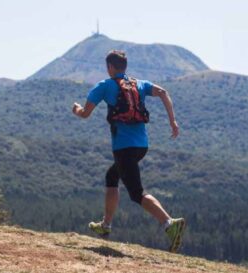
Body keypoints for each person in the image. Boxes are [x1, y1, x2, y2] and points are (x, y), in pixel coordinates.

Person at [72, 50, 186, 253]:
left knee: (136, 193)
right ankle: (105, 226)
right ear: (124, 67)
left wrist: (76, 109)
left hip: (123, 147)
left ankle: (170, 223)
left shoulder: (105, 86)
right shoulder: (139, 84)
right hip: (141, 146)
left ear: (110, 67)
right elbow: (163, 92)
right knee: (112, 176)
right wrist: (173, 121)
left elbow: (85, 114)